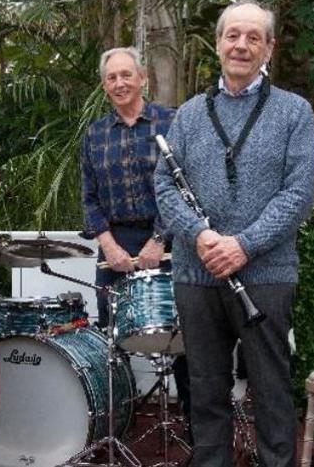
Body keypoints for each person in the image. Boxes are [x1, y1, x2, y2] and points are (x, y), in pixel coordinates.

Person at [155, 0, 314, 467]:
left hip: (266, 274)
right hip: (196, 271)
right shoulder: (187, 114)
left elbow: (298, 193)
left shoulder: (294, 112)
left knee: (271, 391)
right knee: (205, 392)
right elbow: (164, 186)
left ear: (268, 48)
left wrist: (243, 245)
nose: (241, 45)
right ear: (219, 44)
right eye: (233, 35)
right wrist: (200, 237)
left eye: (253, 37)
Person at [79, 46, 190, 420]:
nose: (119, 83)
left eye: (127, 75)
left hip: (171, 240)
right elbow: (89, 198)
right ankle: (114, 429)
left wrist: (159, 240)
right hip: (115, 245)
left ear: (143, 78)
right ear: (104, 85)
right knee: (109, 343)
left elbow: (184, 186)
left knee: (183, 341)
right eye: (112, 77)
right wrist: (108, 245)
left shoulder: (173, 123)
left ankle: (198, 436)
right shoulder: (94, 135)